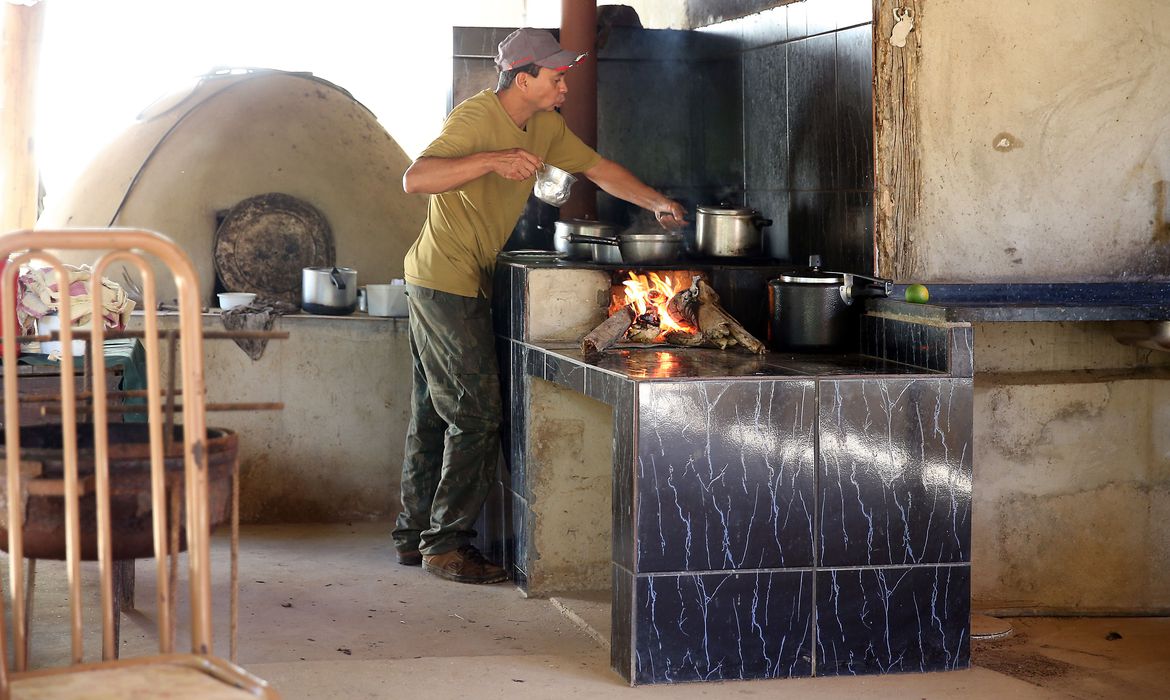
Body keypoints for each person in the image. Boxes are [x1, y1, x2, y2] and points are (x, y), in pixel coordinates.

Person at [395, 27, 687, 584]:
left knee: (436, 411)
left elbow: (597, 169)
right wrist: (492, 159)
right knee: (476, 415)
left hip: (460, 278)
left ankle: (414, 537)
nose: (565, 85)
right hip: (442, 279)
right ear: (523, 78)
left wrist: (657, 202)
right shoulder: (476, 118)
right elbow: (416, 179)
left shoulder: (547, 125)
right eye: (557, 76)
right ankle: (445, 546)